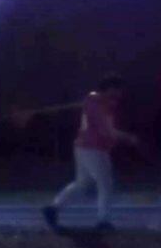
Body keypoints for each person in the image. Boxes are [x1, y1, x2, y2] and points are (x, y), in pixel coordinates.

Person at [43, 74, 139, 231]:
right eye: (118, 90)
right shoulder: (98, 104)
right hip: (93, 148)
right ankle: (103, 221)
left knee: (82, 183)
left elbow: (106, 129)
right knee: (105, 184)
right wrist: (128, 137)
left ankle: (53, 209)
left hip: (85, 147)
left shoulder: (100, 103)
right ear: (110, 89)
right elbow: (106, 131)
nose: (121, 94)